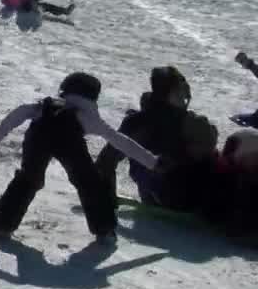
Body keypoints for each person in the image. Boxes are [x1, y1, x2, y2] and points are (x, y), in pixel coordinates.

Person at [0, 72, 159, 245]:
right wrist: (152, 162)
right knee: (89, 182)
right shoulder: (88, 116)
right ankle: (104, 229)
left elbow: (20, 112)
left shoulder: (47, 106)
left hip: (38, 136)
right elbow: (121, 141)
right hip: (70, 142)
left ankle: (2, 226)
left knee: (29, 178)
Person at [94, 66, 219, 213]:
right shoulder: (187, 122)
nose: (185, 94)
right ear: (172, 92)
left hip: (155, 192)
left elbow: (106, 161)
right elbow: (107, 160)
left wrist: (105, 193)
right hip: (182, 197)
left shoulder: (136, 120)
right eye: (181, 90)